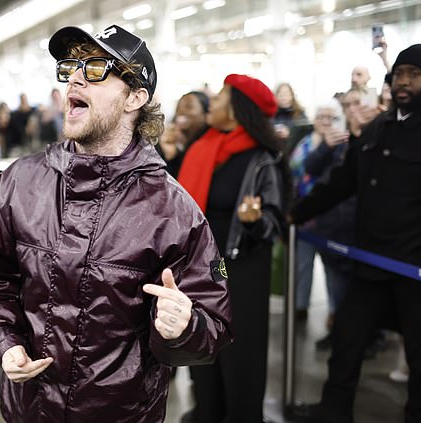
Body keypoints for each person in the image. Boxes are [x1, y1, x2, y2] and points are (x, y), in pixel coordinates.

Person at [0, 24, 233, 423]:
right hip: (29, 409)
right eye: (71, 67)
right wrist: (4, 341)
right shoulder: (20, 181)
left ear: (135, 97)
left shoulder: (174, 211)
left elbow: (215, 325)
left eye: (97, 68)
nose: (75, 77)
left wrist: (185, 326)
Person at [289, 43, 421, 423]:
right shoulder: (378, 128)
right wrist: (296, 214)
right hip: (370, 261)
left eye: (414, 74)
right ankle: (333, 411)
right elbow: (342, 182)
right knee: (347, 343)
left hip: (413, 269)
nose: (404, 81)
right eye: (399, 74)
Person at [177, 74, 286, 423]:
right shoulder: (203, 147)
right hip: (205, 265)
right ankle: (209, 411)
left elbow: (275, 220)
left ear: (238, 109)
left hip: (237, 265)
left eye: (221, 96)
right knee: (203, 341)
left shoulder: (262, 159)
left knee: (238, 349)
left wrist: (255, 220)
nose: (214, 102)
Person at [290, 99, 355, 349]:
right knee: (302, 267)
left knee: (333, 273)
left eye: (331, 116)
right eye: (321, 115)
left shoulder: (344, 144)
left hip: (330, 220)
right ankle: (299, 308)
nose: (325, 121)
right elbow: (299, 169)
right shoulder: (304, 142)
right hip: (304, 218)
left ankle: (334, 314)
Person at [157, 91, 210, 178]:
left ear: (205, 114)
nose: (181, 111)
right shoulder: (174, 145)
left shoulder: (207, 148)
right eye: (178, 108)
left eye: (189, 107)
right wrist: (169, 156)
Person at [273, 82, 311, 155]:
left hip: (295, 154)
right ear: (275, 97)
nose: (283, 97)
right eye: (280, 94)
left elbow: (306, 137)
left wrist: (290, 134)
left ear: (292, 96)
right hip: (276, 153)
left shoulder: (300, 114)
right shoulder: (270, 114)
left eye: (286, 94)